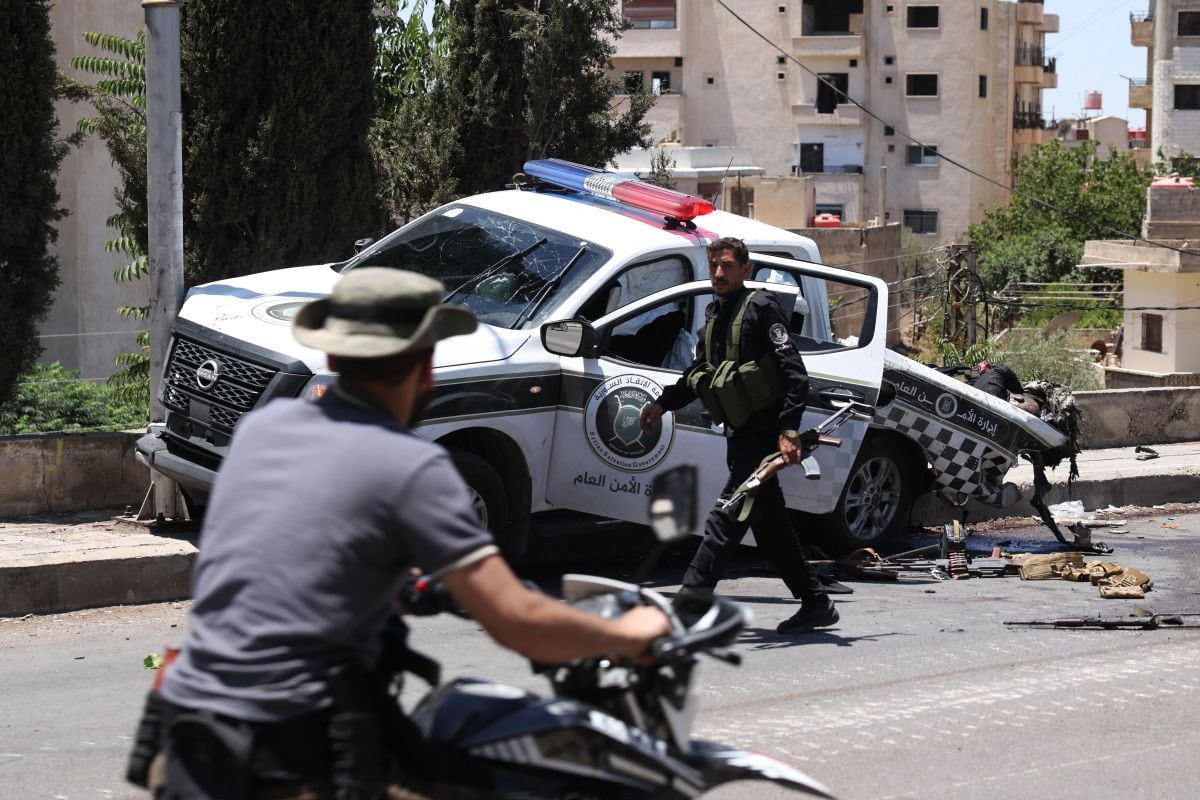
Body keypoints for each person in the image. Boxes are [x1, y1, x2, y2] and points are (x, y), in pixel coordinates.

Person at [144, 268, 669, 799]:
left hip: (190, 728)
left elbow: (294, 556)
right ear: (423, 366)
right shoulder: (411, 466)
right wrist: (631, 634)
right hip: (288, 748)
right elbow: (518, 621)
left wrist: (390, 588)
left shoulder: (264, 429)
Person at [639, 238, 838, 635]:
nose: (718, 273)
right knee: (769, 527)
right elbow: (699, 374)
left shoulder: (762, 309)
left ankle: (689, 605)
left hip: (763, 436)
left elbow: (795, 374)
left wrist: (787, 430)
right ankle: (815, 602)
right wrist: (662, 403)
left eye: (727, 265)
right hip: (739, 433)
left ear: (745, 269)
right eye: (713, 264)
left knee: (727, 514)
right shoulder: (714, 315)